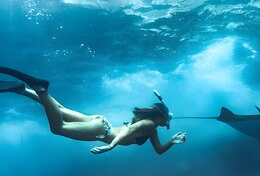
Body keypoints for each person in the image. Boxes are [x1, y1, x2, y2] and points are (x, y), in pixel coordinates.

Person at [0, 66, 186, 155]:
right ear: (160, 117)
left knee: (61, 110)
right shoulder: (148, 124)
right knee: (58, 127)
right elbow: (128, 131)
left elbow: (159, 150)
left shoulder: (151, 128)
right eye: (166, 121)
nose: (165, 125)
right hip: (101, 131)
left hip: (100, 122)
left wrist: (172, 141)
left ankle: (23, 90)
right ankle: (41, 89)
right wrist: (110, 146)